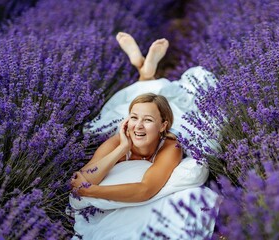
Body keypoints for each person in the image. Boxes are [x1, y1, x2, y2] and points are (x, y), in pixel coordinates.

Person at [69, 32, 219, 240]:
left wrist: (92, 191)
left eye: (147, 121)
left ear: (162, 126)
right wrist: (120, 149)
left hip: (177, 118)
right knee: (131, 105)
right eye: (133, 119)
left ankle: (145, 73)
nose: (138, 126)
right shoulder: (117, 140)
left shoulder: (170, 146)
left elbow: (145, 189)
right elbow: (84, 177)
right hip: (143, 121)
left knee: (173, 99)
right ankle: (144, 72)